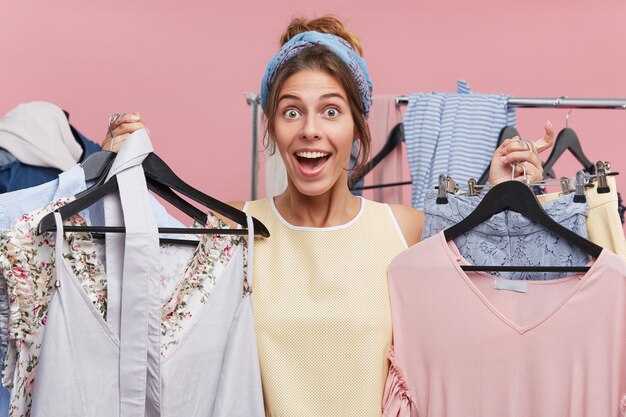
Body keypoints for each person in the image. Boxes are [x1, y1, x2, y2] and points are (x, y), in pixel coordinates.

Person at [105, 16, 555, 417]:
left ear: (358, 128)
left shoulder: (405, 231)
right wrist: (106, 176)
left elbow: (494, 321)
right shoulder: (232, 230)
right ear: (273, 128)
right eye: (291, 111)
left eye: (331, 111)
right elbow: (143, 316)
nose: (310, 130)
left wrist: (507, 191)